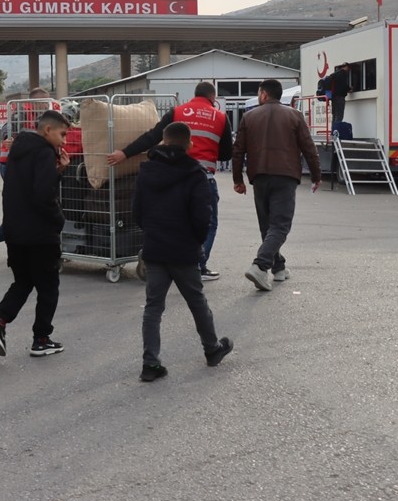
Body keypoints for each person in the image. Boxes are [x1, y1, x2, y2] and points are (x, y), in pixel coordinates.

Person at [132, 122, 234, 382]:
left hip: (155, 248)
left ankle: (150, 363)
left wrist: (152, 232)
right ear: (189, 144)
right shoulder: (194, 173)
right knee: (197, 302)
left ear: (163, 142)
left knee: (153, 308)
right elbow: (203, 217)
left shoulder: (146, 171)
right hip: (184, 249)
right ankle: (212, 349)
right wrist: (196, 242)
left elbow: (137, 213)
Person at [107, 81, 232, 280]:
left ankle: (156, 256)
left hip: (169, 177)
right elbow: (226, 154)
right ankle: (197, 266)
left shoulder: (177, 111)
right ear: (213, 98)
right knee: (207, 224)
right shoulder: (221, 117)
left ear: (195, 95)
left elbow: (152, 136)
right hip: (201, 178)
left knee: (169, 221)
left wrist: (124, 153)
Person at [0, 109, 70, 358]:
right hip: (40, 235)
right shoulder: (43, 153)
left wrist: (57, 172)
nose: (63, 141)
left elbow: (24, 190)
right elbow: (43, 195)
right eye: (62, 134)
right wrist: (59, 220)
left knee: (23, 281)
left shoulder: (18, 152)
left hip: (15, 233)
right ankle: (41, 339)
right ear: (47, 130)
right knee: (49, 287)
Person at [232, 79, 322, 291]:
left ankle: (278, 268)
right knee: (280, 225)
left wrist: (238, 180)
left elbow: (238, 151)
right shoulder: (294, 115)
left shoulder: (249, 116)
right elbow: (309, 148)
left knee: (268, 226)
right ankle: (260, 265)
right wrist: (317, 175)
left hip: (259, 176)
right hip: (285, 175)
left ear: (263, 94)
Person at [0, 87, 51, 261]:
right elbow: (7, 129)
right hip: (12, 167)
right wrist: (11, 138)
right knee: (27, 209)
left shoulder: (39, 118)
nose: (47, 106)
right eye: (44, 102)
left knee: (26, 209)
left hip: (20, 166)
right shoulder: (21, 114)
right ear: (35, 102)